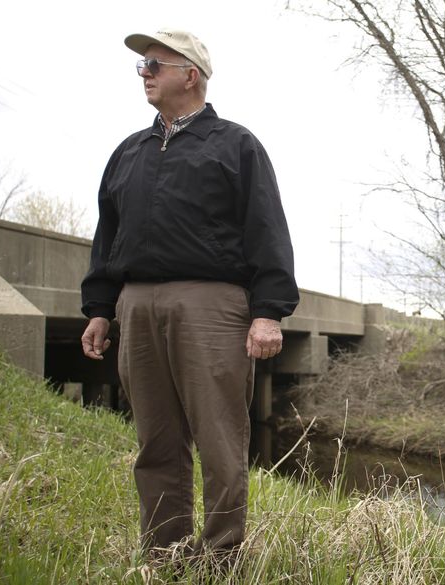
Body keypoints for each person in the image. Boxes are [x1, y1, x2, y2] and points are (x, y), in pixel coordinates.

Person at [80, 29, 299, 560]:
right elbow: (107, 238)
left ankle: (222, 555)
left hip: (211, 305)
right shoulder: (128, 152)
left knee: (220, 438)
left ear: (190, 74)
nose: (145, 73)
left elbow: (266, 229)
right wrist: (100, 309)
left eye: (154, 63)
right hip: (136, 305)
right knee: (155, 440)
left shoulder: (235, 144)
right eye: (141, 66)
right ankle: (165, 552)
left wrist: (267, 313)